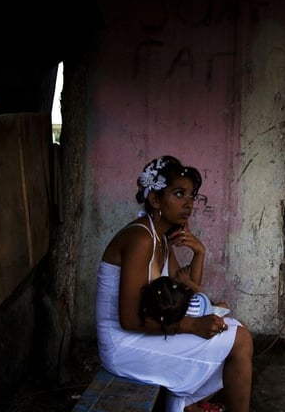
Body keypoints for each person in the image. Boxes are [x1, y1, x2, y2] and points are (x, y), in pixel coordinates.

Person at [95, 155, 253, 412]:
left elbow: (185, 290)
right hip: (123, 344)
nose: (189, 204)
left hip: (141, 335)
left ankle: (184, 402)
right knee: (240, 338)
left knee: (234, 328)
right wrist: (192, 325)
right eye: (179, 194)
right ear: (155, 199)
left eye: (192, 196)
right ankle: (190, 403)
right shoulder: (141, 239)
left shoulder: (161, 239)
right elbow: (128, 319)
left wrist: (199, 253)